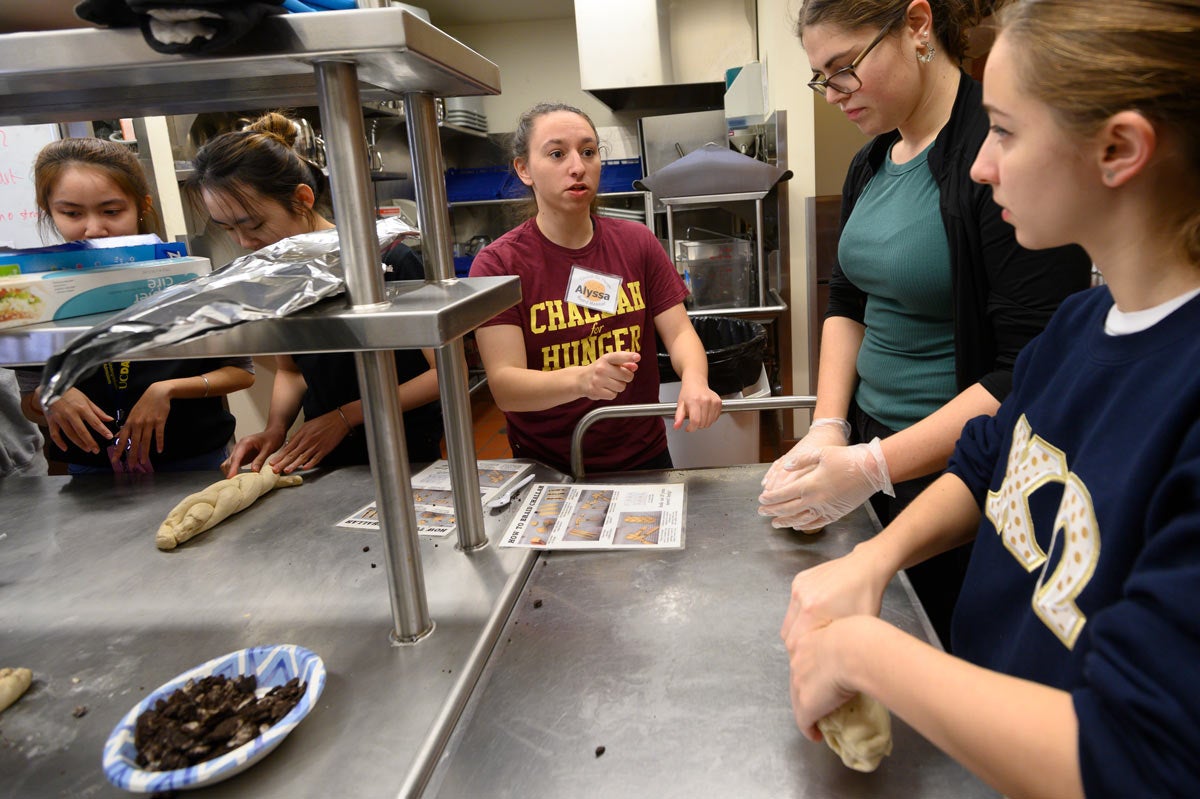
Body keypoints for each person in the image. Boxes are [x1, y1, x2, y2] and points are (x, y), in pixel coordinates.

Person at [782, 1, 1200, 796]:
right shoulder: (1081, 326)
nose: (980, 164)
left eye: (1004, 131)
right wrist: (875, 554)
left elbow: (1138, 753)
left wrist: (863, 651)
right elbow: (987, 461)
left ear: (1118, 149)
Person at [757, 0, 1092, 644]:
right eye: (821, 78)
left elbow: (1021, 371)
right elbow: (848, 301)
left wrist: (879, 463)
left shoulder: (990, 166)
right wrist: (831, 429)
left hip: (954, 468)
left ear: (916, 26)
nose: (833, 94)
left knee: (939, 632)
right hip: (869, 442)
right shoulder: (872, 160)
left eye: (844, 69)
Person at [468, 103, 721, 476]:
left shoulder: (637, 242)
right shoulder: (498, 265)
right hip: (549, 466)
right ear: (524, 170)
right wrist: (582, 379)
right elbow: (505, 384)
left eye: (588, 152)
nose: (577, 166)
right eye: (557, 154)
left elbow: (680, 331)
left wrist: (696, 380)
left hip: (643, 455)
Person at [186, 112, 444, 477]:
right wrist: (275, 429)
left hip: (404, 446)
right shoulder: (273, 274)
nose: (244, 243)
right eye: (229, 229)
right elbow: (292, 372)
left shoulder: (387, 259)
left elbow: (444, 374)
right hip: (322, 452)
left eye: (254, 225)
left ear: (302, 198)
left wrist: (344, 417)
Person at [18, 137, 254, 474]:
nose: (94, 229)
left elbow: (241, 372)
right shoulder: (33, 297)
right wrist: (50, 395)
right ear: (49, 210)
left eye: (112, 211)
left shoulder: (187, 277)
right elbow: (29, 402)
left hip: (195, 462)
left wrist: (168, 389)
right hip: (90, 476)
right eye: (70, 213)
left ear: (141, 206)